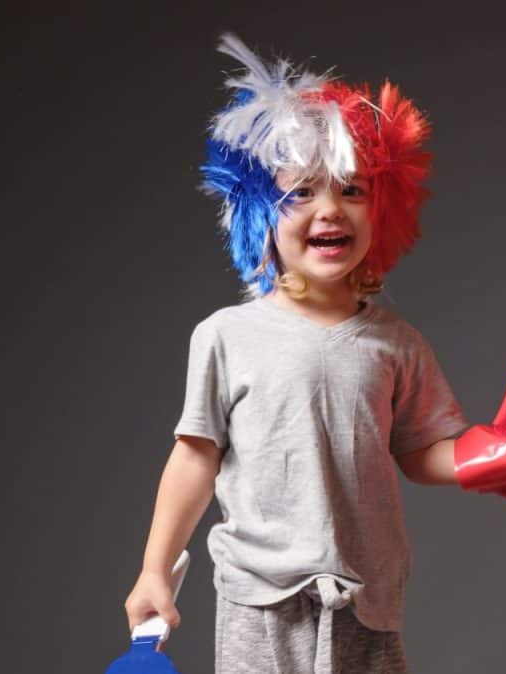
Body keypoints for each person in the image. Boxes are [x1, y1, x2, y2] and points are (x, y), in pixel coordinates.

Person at [123, 34, 467, 673]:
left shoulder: (398, 344)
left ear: (383, 210)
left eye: (353, 190)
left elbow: (425, 453)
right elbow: (196, 455)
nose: (329, 209)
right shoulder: (225, 335)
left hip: (369, 601)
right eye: (299, 193)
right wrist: (153, 571)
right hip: (260, 601)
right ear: (259, 212)